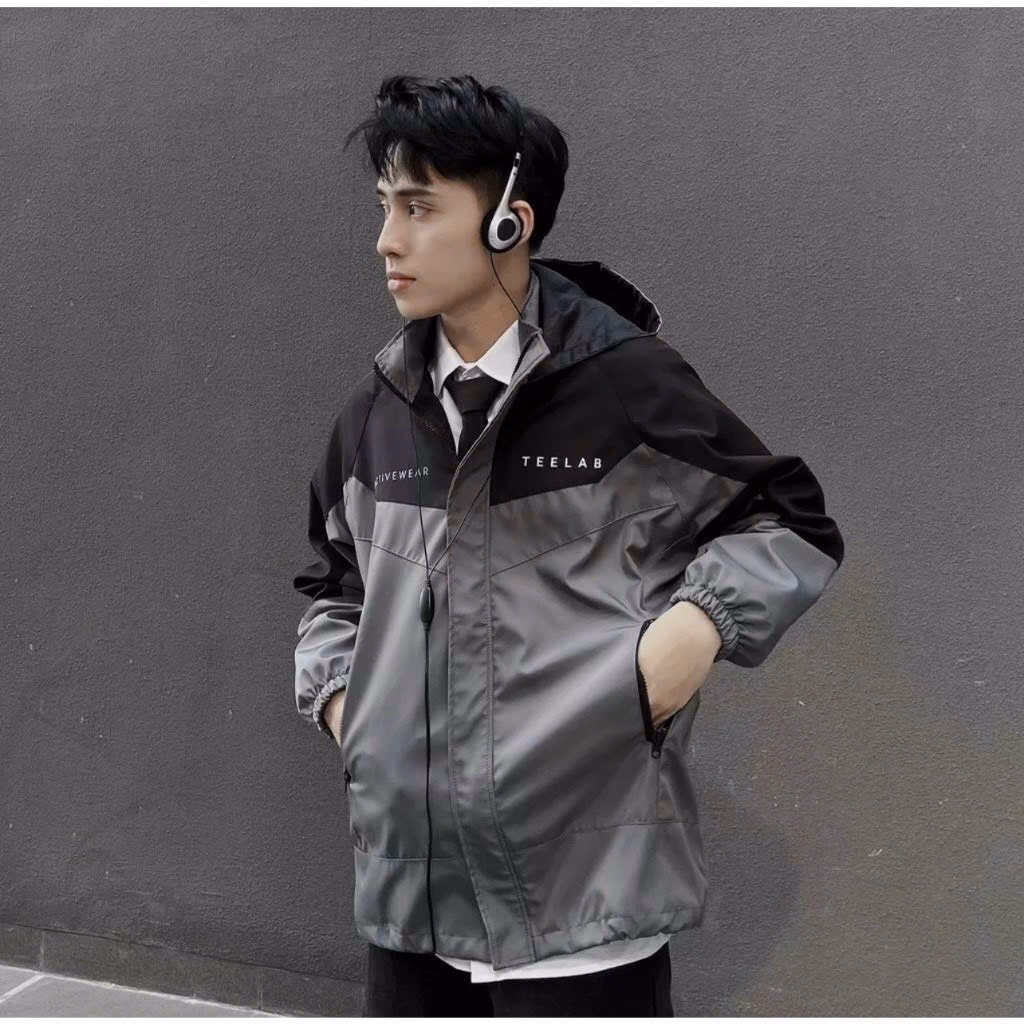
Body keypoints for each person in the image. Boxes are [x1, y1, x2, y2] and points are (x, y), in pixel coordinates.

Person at [293, 74, 844, 1017]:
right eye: (385, 206)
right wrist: (353, 713)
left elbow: (786, 520)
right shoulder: (378, 413)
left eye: (419, 208)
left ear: (510, 219)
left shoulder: (624, 385)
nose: (387, 239)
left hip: (583, 908)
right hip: (411, 907)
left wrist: (687, 638)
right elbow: (333, 584)